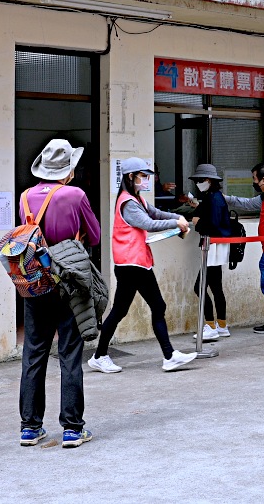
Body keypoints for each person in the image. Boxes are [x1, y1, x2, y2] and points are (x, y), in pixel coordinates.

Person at [19, 139, 101, 448]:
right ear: (68, 170)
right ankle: (71, 428)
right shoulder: (75, 194)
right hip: (69, 280)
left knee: (34, 353)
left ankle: (30, 427)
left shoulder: (25, 197)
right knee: (69, 354)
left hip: (37, 281)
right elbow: (93, 235)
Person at [88, 158, 197, 374]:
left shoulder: (136, 199)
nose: (146, 180)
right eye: (142, 176)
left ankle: (100, 355)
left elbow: (156, 213)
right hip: (133, 264)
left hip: (133, 263)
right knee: (157, 306)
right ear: (131, 177)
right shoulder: (127, 203)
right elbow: (149, 223)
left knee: (120, 310)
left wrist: (178, 217)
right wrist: (177, 223)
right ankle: (169, 356)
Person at [224, 162, 264, 336]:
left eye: (254, 178)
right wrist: (225, 198)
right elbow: (244, 203)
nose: (254, 182)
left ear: (263, 180)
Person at [188, 163, 235, 340]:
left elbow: (213, 224)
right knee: (216, 287)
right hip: (217, 246)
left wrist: (197, 222)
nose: (198, 183)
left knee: (199, 287)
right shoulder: (213, 196)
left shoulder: (213, 198)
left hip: (213, 245)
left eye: (200, 180)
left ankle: (210, 325)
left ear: (207, 180)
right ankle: (222, 325)